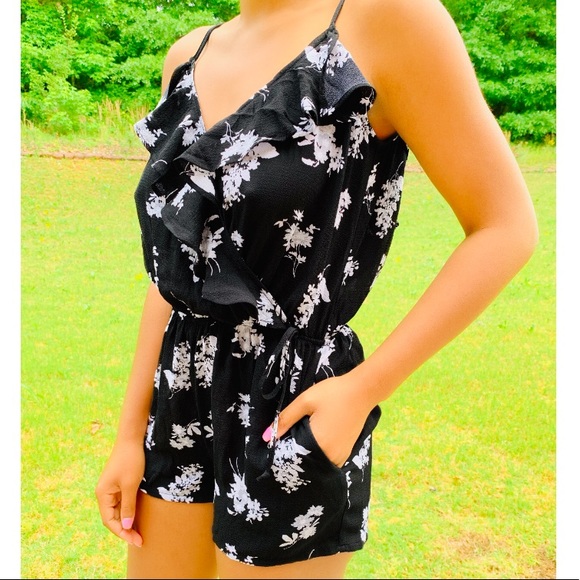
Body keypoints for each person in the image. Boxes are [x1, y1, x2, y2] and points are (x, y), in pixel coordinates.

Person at [95, 0, 538, 578]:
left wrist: (361, 390)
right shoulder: (188, 55)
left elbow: (505, 226)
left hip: (294, 395)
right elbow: (180, 271)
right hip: (181, 391)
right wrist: (130, 434)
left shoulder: (386, 20)